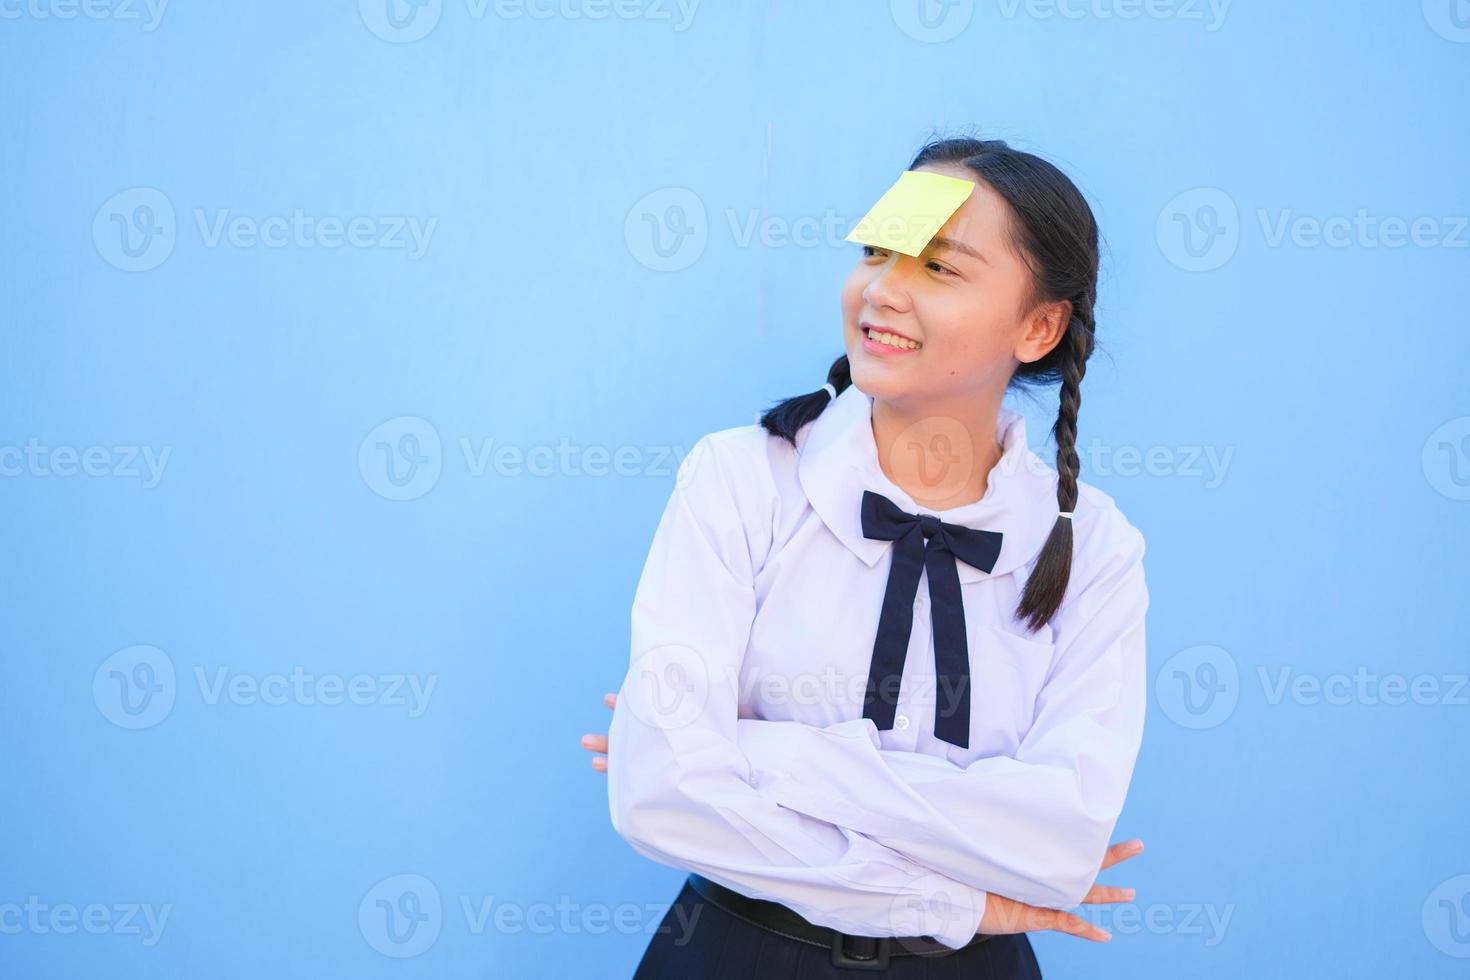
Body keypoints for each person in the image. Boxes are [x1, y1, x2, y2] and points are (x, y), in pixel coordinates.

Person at [579, 135, 1150, 977]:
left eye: (940, 269)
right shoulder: (739, 479)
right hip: (736, 954)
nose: (882, 290)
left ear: (1038, 325)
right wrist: (951, 897)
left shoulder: (1093, 545)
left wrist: (758, 751)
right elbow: (662, 796)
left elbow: (1057, 842)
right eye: (877, 252)